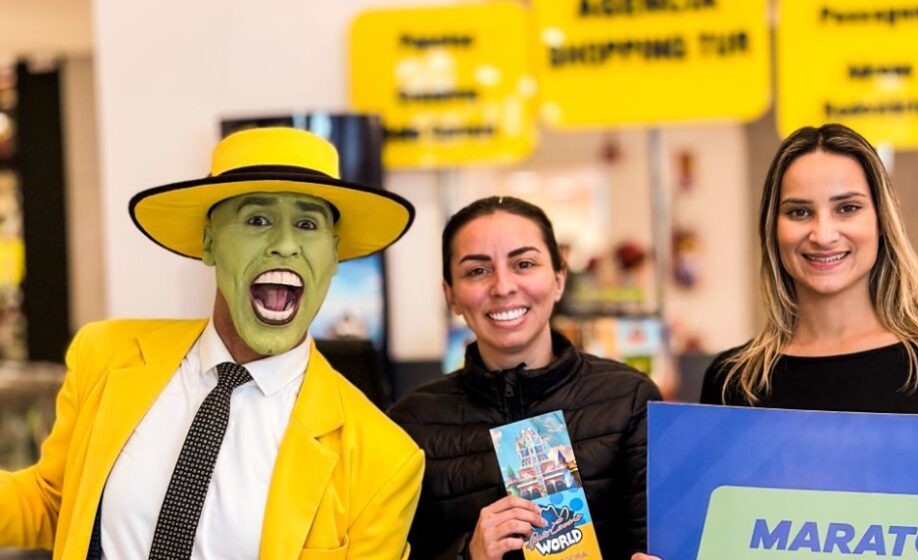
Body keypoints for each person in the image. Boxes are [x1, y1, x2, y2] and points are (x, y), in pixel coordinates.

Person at [0, 127, 424, 558]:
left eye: (307, 223)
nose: (284, 245)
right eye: (257, 220)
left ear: (332, 255)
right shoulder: (107, 354)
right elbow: (56, 503)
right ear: (209, 243)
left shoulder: (384, 460)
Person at [388, 196, 661, 560]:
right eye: (477, 271)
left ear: (559, 279)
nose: (503, 287)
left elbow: (654, 541)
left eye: (524, 263)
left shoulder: (629, 398)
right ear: (450, 294)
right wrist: (468, 556)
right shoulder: (411, 422)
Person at [701, 123, 918, 415]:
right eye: (799, 212)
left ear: (882, 221)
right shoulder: (732, 383)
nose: (823, 235)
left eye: (847, 208)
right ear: (773, 229)